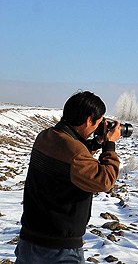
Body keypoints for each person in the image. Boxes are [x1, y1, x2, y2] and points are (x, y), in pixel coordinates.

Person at [17, 90, 121, 264]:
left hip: (29, 241)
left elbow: (71, 158)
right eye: (99, 121)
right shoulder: (75, 154)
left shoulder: (45, 137)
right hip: (59, 249)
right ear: (89, 120)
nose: (100, 125)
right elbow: (105, 181)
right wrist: (110, 145)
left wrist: (96, 142)